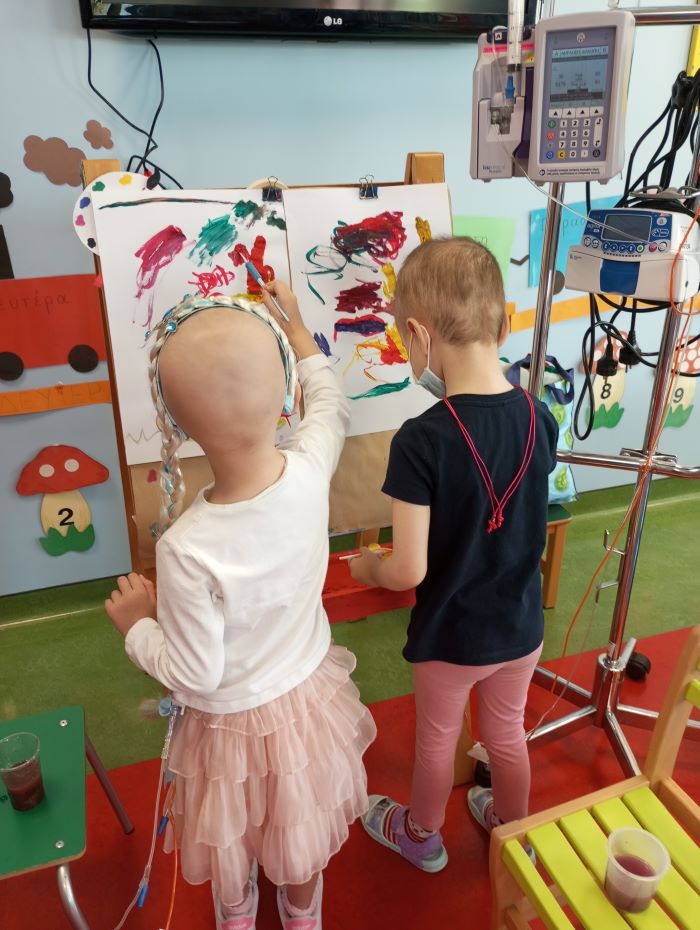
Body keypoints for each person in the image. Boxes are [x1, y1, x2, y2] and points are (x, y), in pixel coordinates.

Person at [105, 284, 376, 930]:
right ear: (284, 395)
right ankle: (302, 911)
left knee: (231, 827)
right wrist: (300, 332)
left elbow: (194, 673)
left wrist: (138, 628)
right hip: (306, 705)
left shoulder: (185, 547)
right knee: (300, 819)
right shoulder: (309, 466)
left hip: (227, 730)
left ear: (173, 426)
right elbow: (330, 404)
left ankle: (237, 909)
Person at [349, 237, 558, 871]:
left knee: (438, 740)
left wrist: (367, 566)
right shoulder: (539, 416)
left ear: (418, 335)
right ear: (506, 322)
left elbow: (406, 569)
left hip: (450, 635)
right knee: (506, 733)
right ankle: (513, 831)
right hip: (521, 627)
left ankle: (422, 835)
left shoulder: (422, 439)